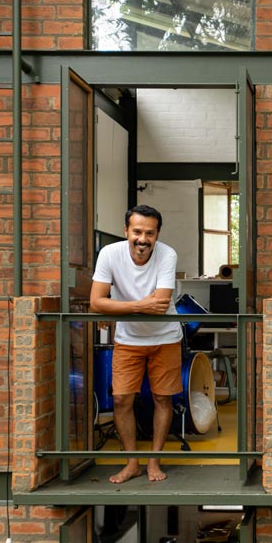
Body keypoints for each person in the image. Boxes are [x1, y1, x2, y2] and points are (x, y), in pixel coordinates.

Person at [90, 205, 183, 483]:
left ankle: (154, 462)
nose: (143, 239)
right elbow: (96, 302)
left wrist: (114, 308)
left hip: (165, 336)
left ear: (157, 234)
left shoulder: (167, 254)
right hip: (128, 339)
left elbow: (162, 303)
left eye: (150, 233)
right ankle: (132, 464)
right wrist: (142, 304)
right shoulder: (109, 254)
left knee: (162, 398)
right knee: (121, 399)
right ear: (126, 231)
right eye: (137, 231)